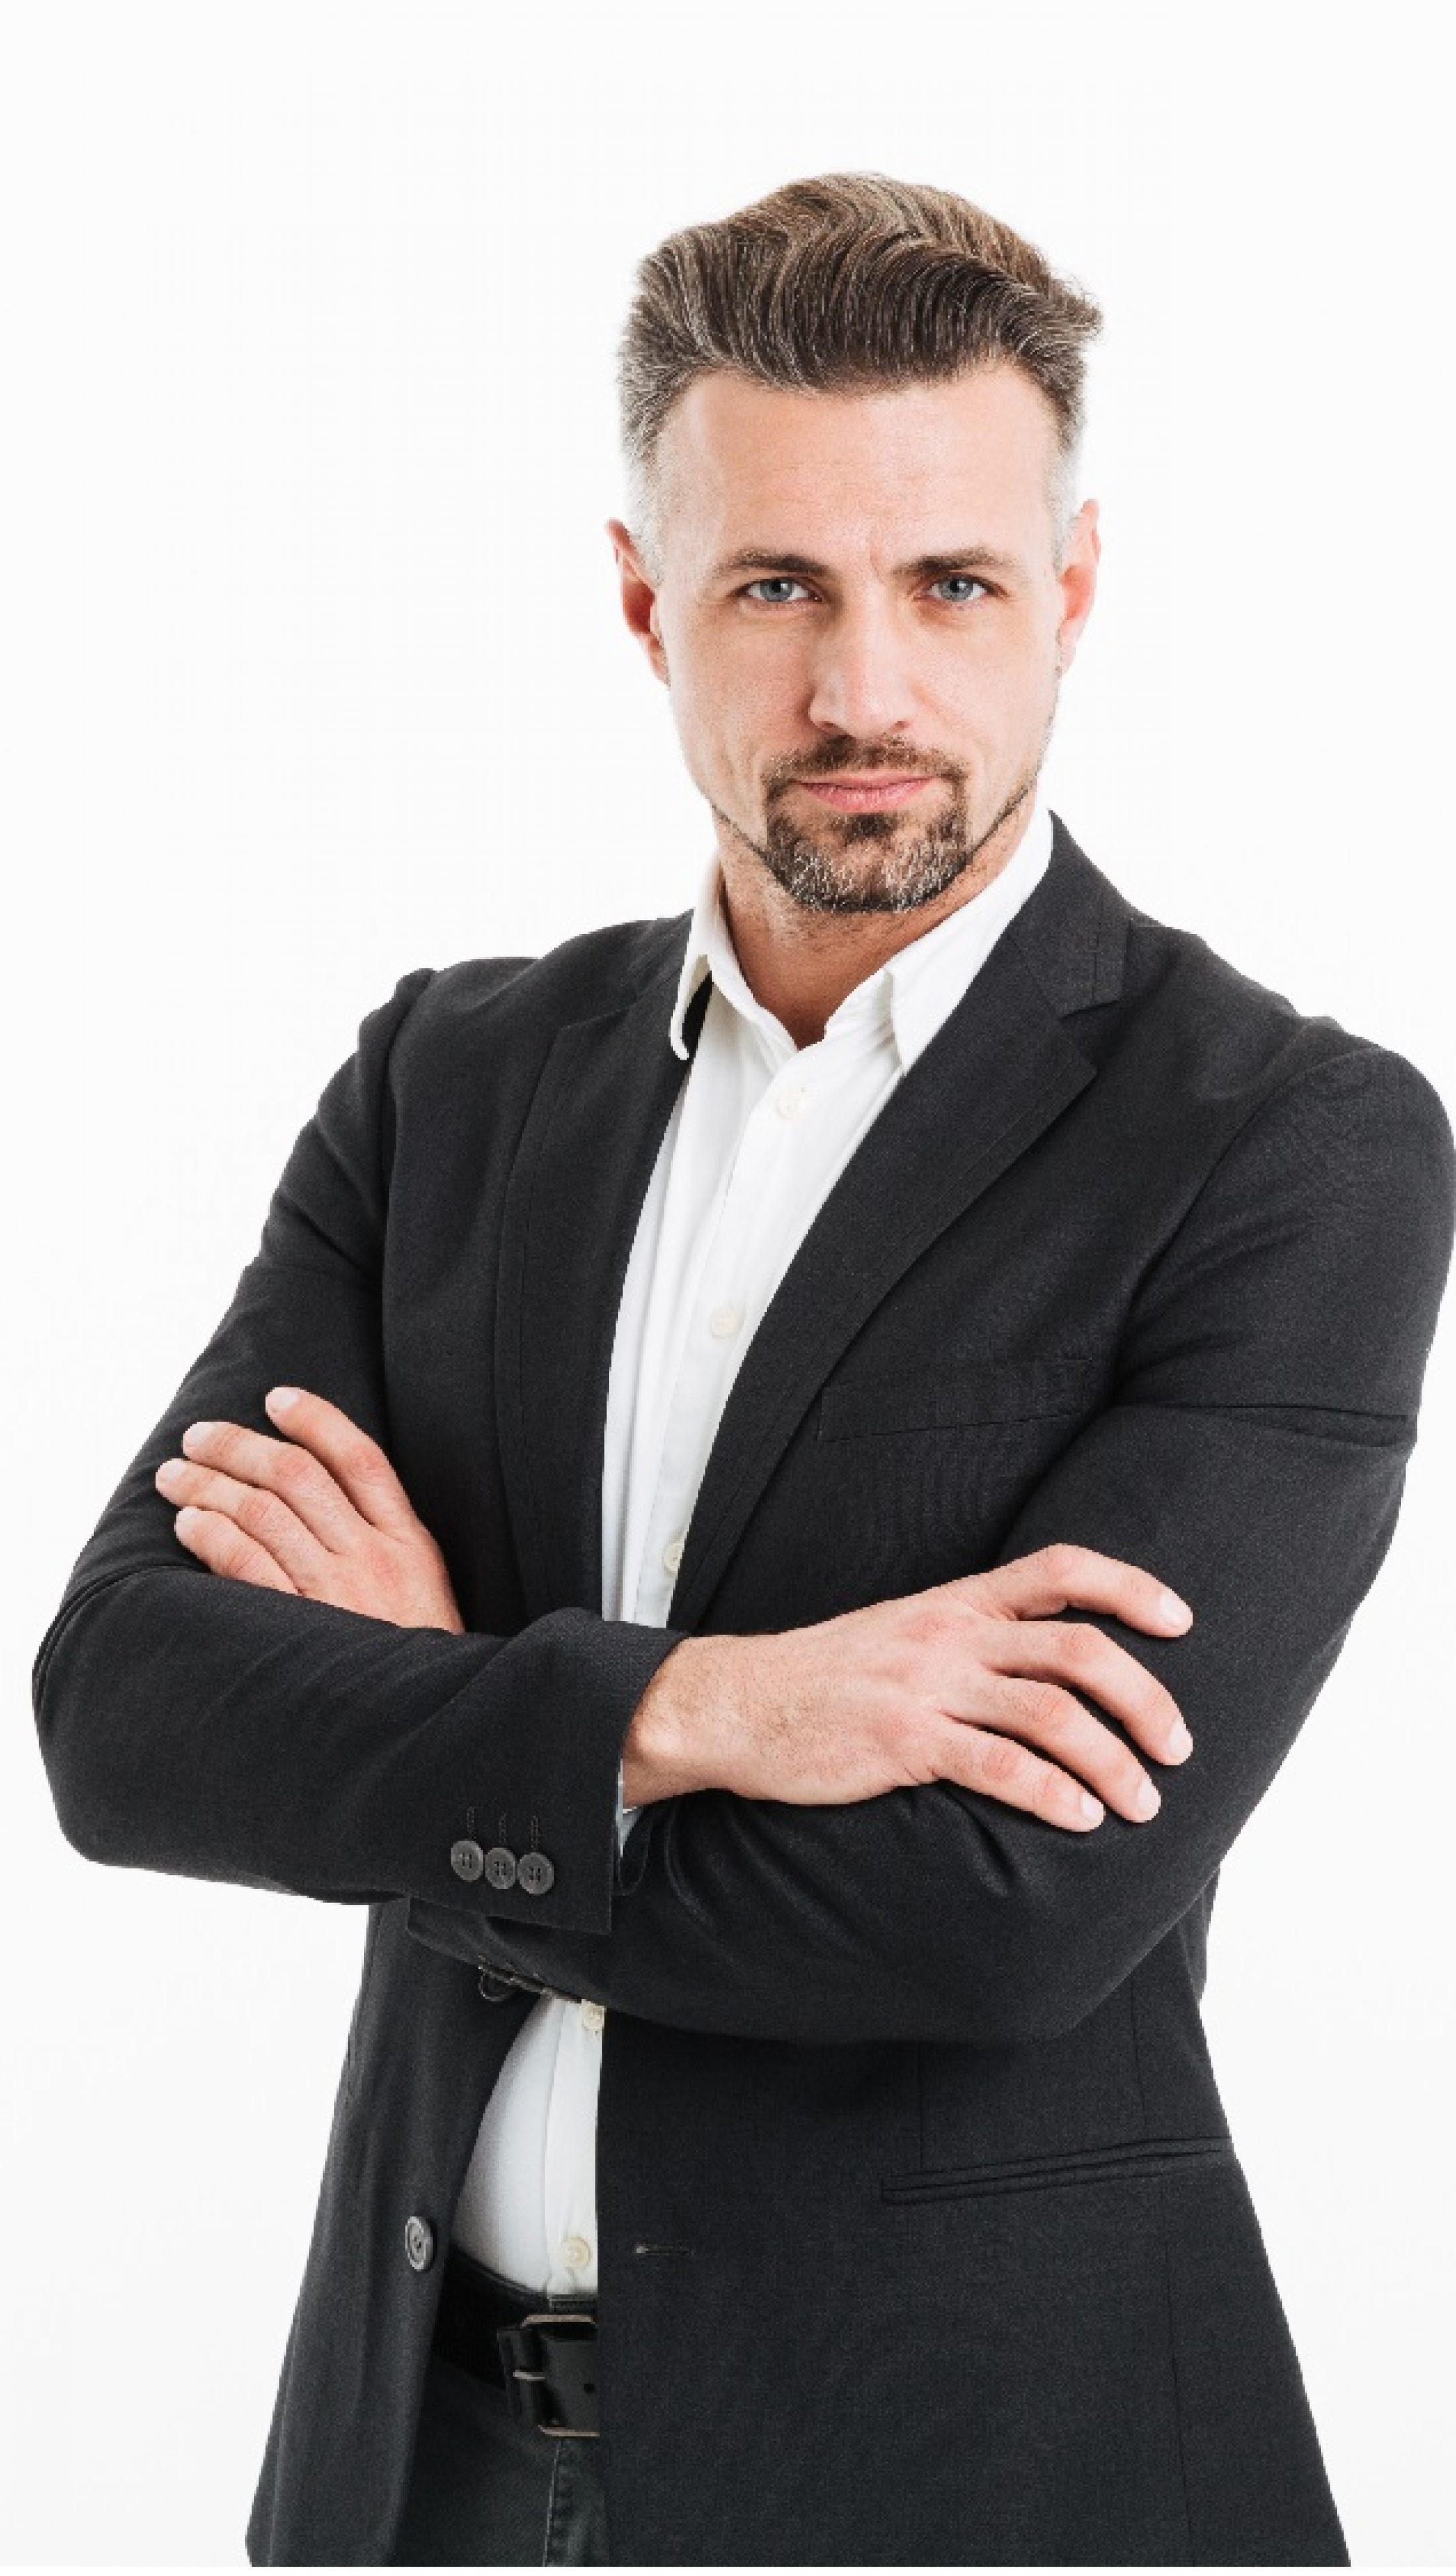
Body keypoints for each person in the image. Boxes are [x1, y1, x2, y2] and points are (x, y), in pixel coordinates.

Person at [33, 171, 1455, 2568]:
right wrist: (697, 1712)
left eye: (954, 586)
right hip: (420, 2466)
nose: (866, 691)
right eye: (778, 584)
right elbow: (128, 1714)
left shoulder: (1289, 1147)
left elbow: (1001, 1912)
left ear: (1074, 596)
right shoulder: (447, 1086)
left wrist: (449, 1718)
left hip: (974, 2477)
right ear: (642, 601)